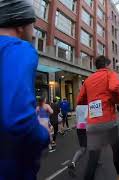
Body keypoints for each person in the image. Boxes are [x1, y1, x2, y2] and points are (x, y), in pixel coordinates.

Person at [0, 1, 50, 178]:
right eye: (33, 25)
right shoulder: (19, 48)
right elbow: (15, 121)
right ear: (21, 25)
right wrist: (43, 125)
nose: (34, 31)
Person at [77, 56, 119, 180]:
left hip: (93, 123)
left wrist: (90, 104)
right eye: (111, 65)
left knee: (93, 157)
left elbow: (79, 100)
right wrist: (118, 102)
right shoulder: (110, 74)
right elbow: (114, 88)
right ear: (107, 65)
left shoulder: (88, 80)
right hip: (108, 121)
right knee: (116, 150)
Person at [68, 105, 88, 176]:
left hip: (79, 127)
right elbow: (87, 117)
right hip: (87, 127)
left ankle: (73, 163)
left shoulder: (77, 106)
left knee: (83, 147)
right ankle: (95, 160)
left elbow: (76, 119)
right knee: (85, 148)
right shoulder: (88, 105)